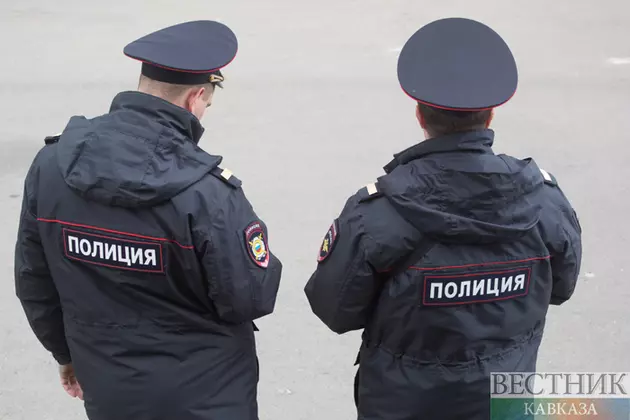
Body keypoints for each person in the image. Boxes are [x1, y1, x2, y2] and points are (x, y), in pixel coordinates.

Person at [304, 17, 582, 420]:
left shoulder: (378, 213)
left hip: (402, 402)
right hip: (505, 400)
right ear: (490, 117)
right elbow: (561, 287)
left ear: (420, 116)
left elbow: (335, 308)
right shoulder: (545, 202)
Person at [14, 20, 282, 420]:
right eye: (207, 104)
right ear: (195, 98)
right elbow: (251, 296)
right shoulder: (208, 193)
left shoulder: (51, 166)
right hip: (208, 392)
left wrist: (66, 355)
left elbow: (34, 280)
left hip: (108, 386)